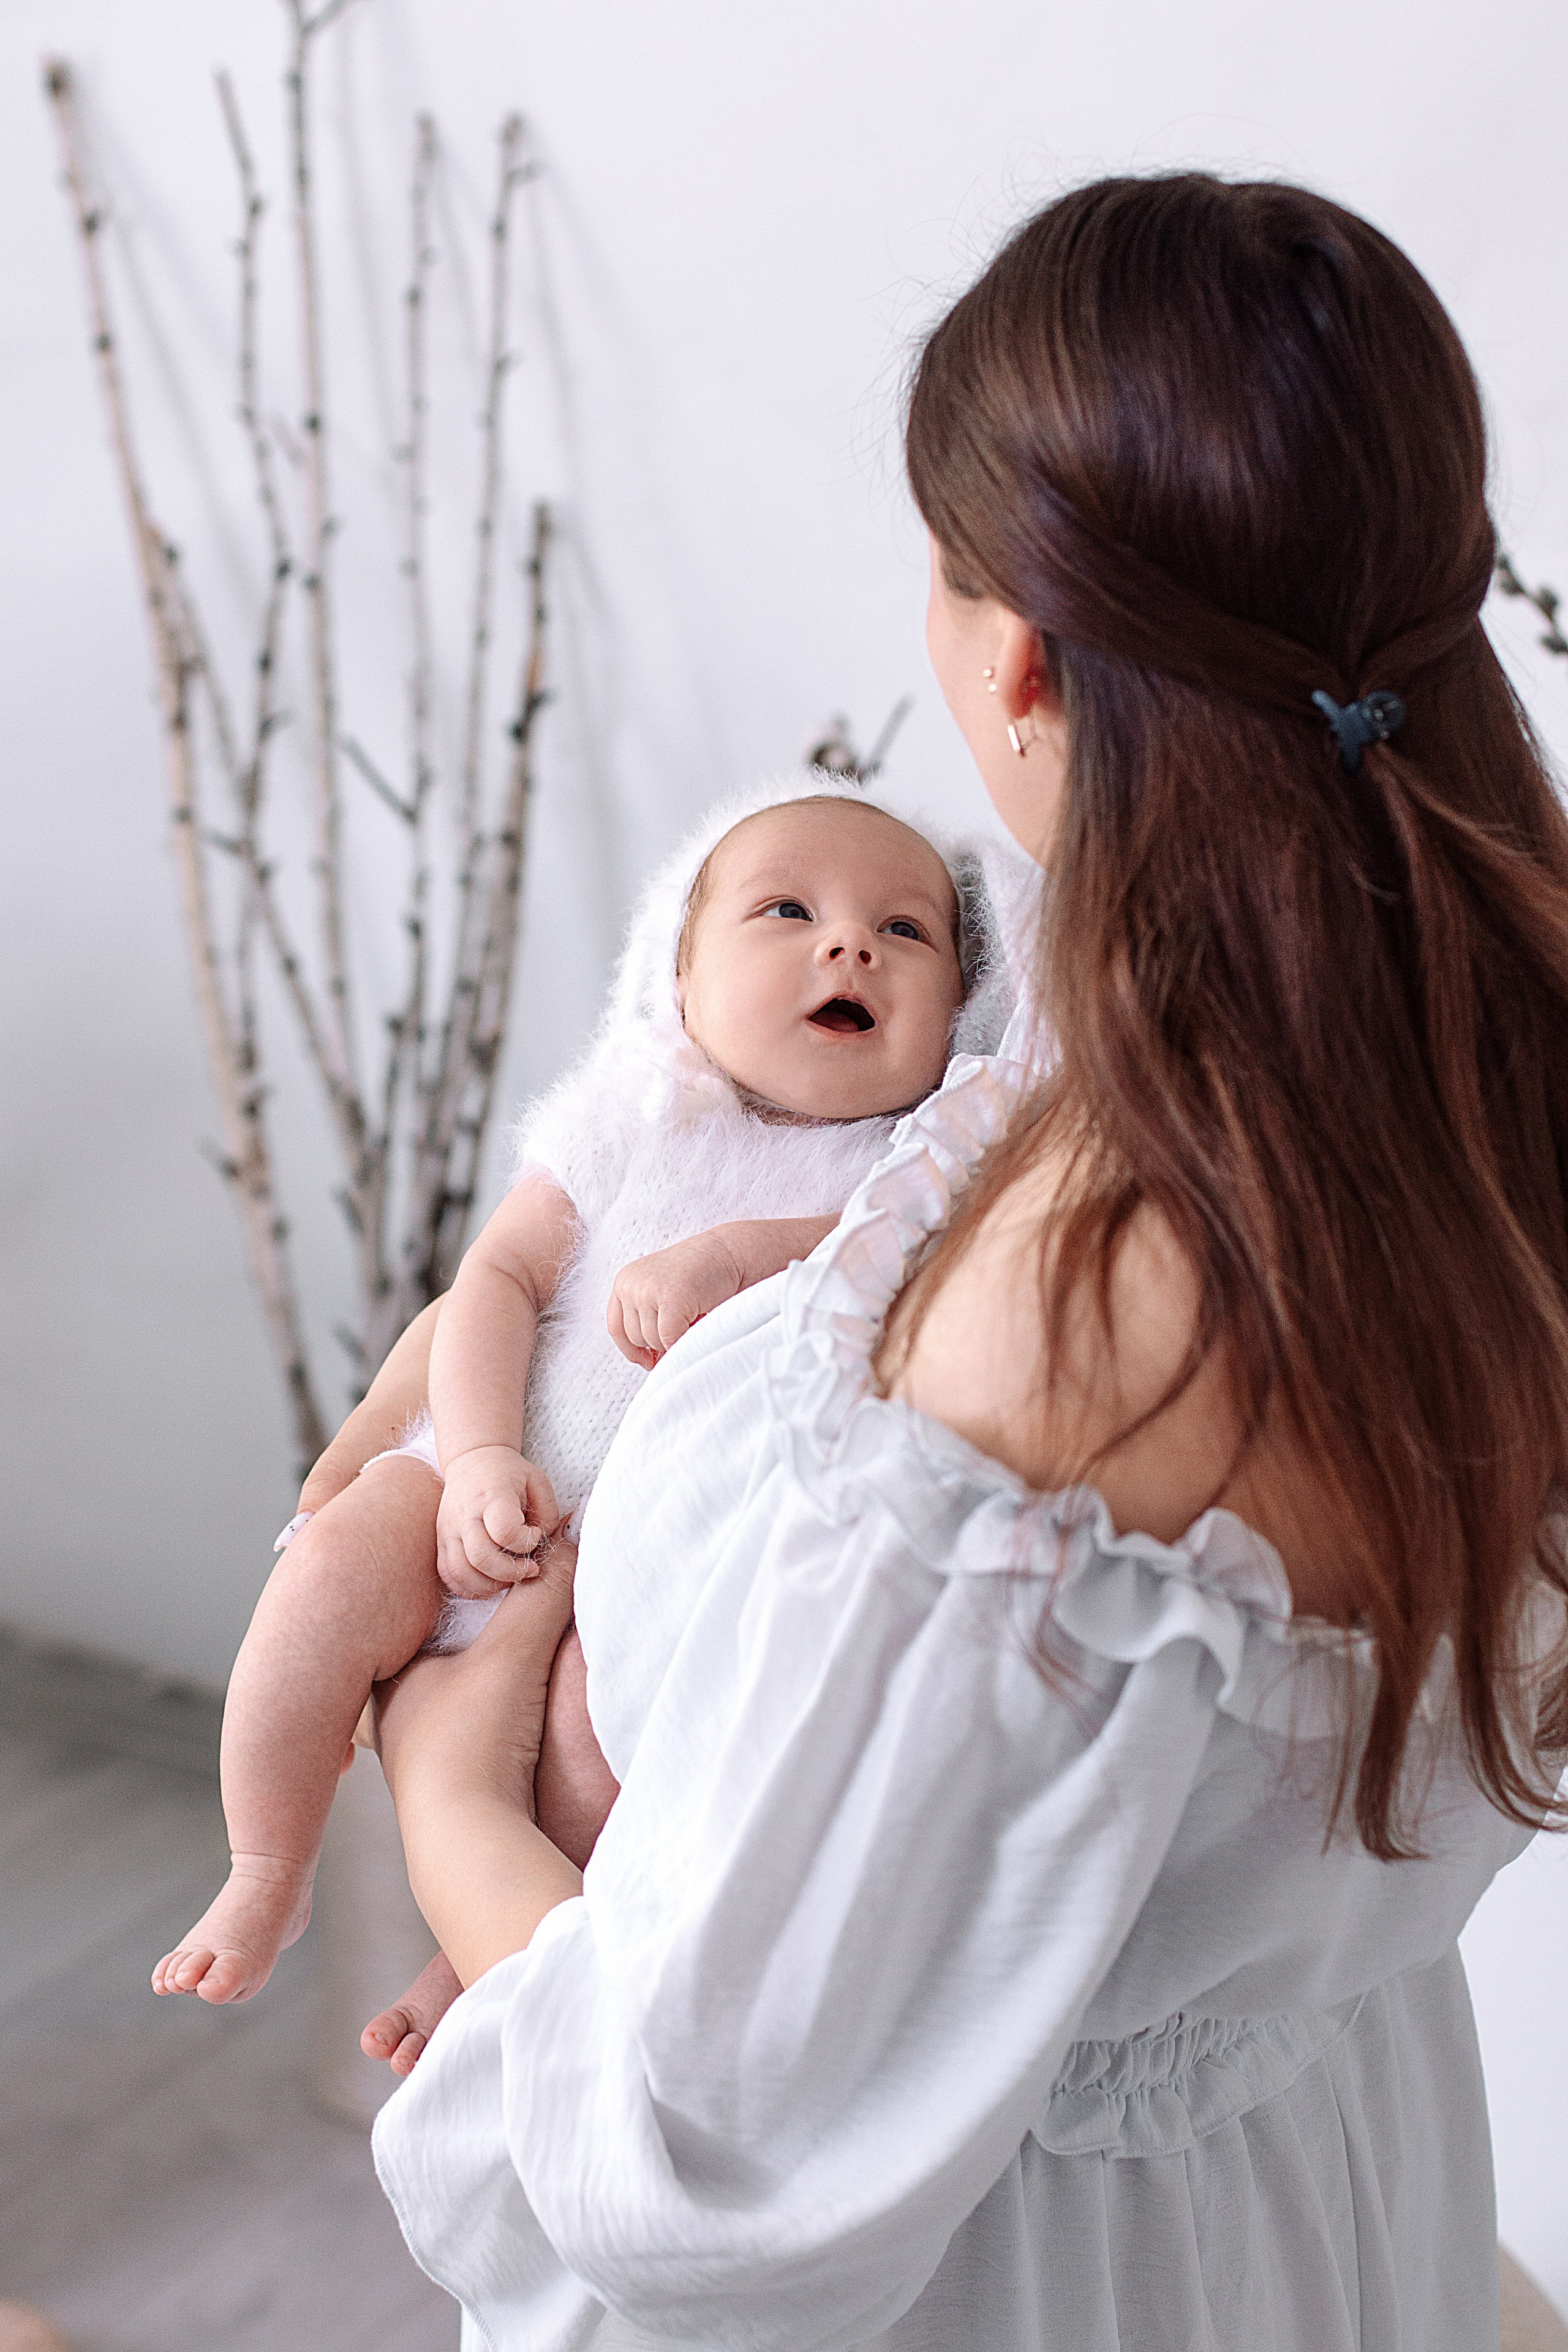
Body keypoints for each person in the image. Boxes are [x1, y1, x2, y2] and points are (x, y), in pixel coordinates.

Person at [358, 172, 1568, 2351]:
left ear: (1013, 650)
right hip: (1308, 2203)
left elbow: (700, 2163)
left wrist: (449, 1788)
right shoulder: (1463, 1107)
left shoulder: (1075, 1341)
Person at [153, 783, 1017, 2011]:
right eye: (787, 909)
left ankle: (472, 1954)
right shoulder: (629, 1116)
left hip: (632, 1572)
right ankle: (264, 1865)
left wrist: (735, 1253)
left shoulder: (903, 1163)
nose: (849, 944)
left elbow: (881, 1253)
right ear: (677, 975)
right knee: (324, 1581)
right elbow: (491, 1284)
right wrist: (475, 1458)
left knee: (599, 1763)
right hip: (481, 1469)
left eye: (905, 931)